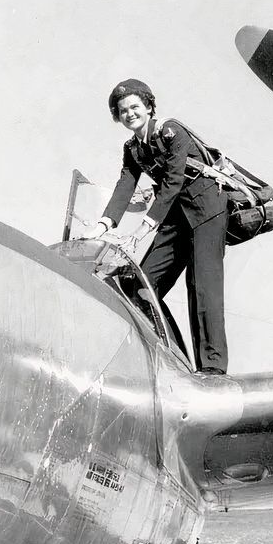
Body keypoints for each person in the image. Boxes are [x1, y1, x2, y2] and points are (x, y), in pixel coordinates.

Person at [82, 79, 229, 375]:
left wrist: (142, 231)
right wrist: (99, 228)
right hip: (175, 215)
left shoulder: (172, 131)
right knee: (140, 287)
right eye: (122, 110)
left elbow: (174, 182)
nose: (129, 114)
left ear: (149, 106)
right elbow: (124, 188)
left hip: (206, 208)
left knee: (202, 285)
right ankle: (175, 361)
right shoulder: (133, 149)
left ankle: (212, 368)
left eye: (135, 106)